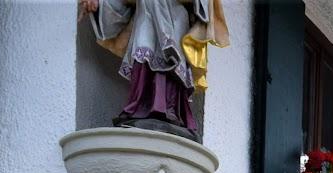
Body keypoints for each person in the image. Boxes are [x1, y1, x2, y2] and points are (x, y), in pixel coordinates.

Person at [80, 0, 228, 141]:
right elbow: (122, 3)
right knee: (143, 56)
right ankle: (141, 107)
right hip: (145, 17)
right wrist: (100, 4)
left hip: (174, 17)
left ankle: (169, 110)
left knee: (171, 62)